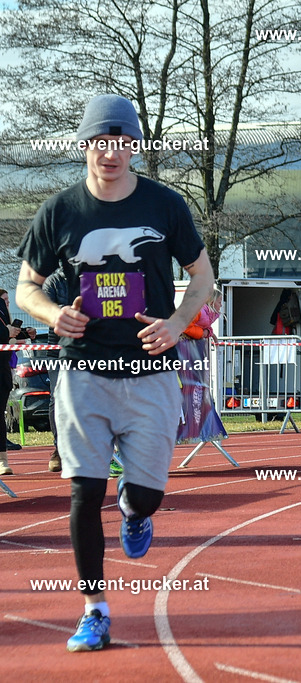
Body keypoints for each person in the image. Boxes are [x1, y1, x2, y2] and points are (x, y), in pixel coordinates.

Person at [15, 94, 214, 652]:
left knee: (145, 496)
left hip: (150, 372)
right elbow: (25, 287)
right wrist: (54, 314)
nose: (112, 152)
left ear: (135, 147)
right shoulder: (60, 211)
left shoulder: (165, 205)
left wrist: (177, 323)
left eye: (123, 141)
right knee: (83, 491)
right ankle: (94, 610)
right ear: (85, 145)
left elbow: (202, 278)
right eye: (102, 141)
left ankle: (135, 508)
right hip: (85, 373)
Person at [42, 269, 70, 472]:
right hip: (57, 351)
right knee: (57, 398)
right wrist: (73, 310)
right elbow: (45, 310)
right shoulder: (53, 281)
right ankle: (58, 449)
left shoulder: (92, 277)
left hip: (89, 349)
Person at [0, 288, 24, 474]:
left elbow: (6, 332)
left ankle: (2, 460)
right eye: (6, 300)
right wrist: (6, 332)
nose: (8, 303)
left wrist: (20, 334)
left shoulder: (1, 307)